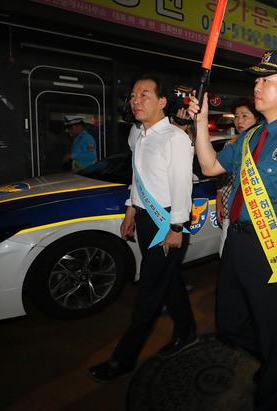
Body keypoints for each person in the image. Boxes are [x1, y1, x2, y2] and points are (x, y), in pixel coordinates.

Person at [188, 50, 277, 410]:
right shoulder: (249, 138)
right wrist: (201, 122)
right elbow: (209, 165)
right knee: (228, 322)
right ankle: (274, 355)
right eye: (256, 79)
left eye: (266, 80)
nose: (257, 86)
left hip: (273, 249)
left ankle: (271, 383)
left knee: (271, 327)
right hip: (237, 243)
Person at [87, 73, 197, 383]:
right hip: (147, 217)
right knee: (169, 280)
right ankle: (187, 332)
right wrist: (131, 210)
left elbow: (181, 186)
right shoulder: (138, 135)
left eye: (144, 95)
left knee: (148, 293)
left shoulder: (174, 138)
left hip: (167, 222)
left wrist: (176, 227)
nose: (135, 100)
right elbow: (139, 177)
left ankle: (123, 360)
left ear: (162, 102)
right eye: (133, 95)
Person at [215, 96, 262, 256]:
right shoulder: (231, 144)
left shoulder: (262, 144)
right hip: (230, 205)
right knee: (226, 247)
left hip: (253, 210)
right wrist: (219, 198)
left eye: (245, 115)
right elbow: (221, 175)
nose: (239, 121)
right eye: (236, 116)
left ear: (257, 118)